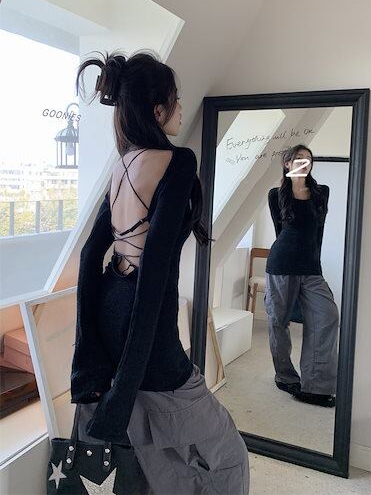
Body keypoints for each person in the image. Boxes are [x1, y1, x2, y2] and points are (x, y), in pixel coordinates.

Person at [70, 49, 250, 494]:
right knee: (228, 454)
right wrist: (122, 392)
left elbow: (91, 256)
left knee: (148, 448)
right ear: (157, 110)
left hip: (112, 306)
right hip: (146, 326)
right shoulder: (179, 162)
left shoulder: (122, 164)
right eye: (175, 99)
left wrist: (88, 364)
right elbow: (153, 278)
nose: (181, 108)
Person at [264, 144, 339, 408]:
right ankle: (285, 377)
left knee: (328, 316)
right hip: (281, 264)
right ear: (287, 164)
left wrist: (315, 263)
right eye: (299, 158)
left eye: (308, 159)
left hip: (310, 268)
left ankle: (316, 386)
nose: (304, 162)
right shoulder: (276, 195)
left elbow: (318, 233)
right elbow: (280, 231)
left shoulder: (321, 193)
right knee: (278, 322)